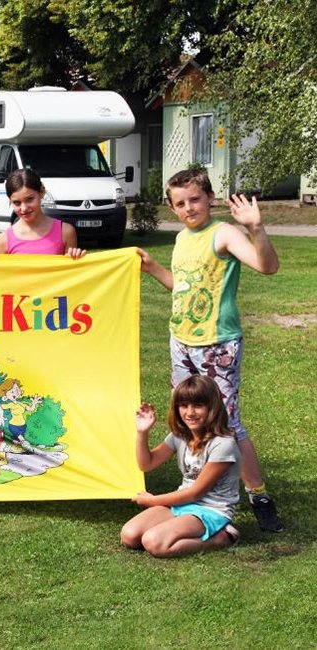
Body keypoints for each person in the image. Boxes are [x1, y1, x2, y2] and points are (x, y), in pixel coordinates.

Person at [138, 168, 283, 533]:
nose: (189, 208)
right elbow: (183, 289)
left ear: (210, 198)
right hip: (181, 341)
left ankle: (258, 495)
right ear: (172, 208)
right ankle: (197, 487)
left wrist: (256, 228)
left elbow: (268, 266)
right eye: (180, 203)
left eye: (195, 200)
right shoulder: (181, 240)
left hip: (217, 345)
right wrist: (152, 267)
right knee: (188, 418)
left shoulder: (224, 234)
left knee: (227, 423)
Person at [121, 375, 242, 557]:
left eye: (198, 406)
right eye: (184, 406)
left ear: (213, 407)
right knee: (129, 536)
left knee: (154, 543)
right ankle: (177, 528)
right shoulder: (180, 436)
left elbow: (196, 493)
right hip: (181, 504)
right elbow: (147, 464)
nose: (190, 412)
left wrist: (152, 500)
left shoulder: (223, 444)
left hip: (210, 510)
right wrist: (142, 432)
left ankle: (222, 538)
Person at [0, 169, 86, 260]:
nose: (24, 208)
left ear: (42, 192)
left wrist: (75, 258)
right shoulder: (3, 240)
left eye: (29, 199)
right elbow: (1, 278)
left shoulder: (66, 232)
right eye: (17, 203)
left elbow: (70, 276)